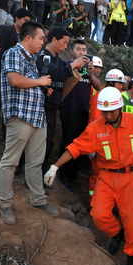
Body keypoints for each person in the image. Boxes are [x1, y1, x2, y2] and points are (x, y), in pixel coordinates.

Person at [44, 87, 133, 265]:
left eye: (112, 111)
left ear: (120, 108)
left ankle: (132, 257)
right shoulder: (96, 128)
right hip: (107, 176)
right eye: (105, 112)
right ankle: (117, 233)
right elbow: (76, 147)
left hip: (130, 178)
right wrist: (55, 166)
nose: (108, 115)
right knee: (99, 214)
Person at [0, 21, 58, 225]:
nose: (43, 42)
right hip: (20, 116)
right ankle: (4, 204)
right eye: (41, 38)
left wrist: (40, 88)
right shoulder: (14, 53)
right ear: (28, 38)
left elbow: (27, 82)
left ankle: (38, 200)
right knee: (10, 161)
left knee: (35, 161)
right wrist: (40, 82)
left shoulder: (32, 59)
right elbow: (14, 80)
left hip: (37, 117)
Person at [36, 27, 92, 174]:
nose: (66, 46)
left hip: (53, 108)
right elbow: (55, 75)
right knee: (40, 144)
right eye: (65, 42)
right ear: (54, 39)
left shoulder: (59, 61)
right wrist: (73, 65)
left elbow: (65, 80)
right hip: (40, 107)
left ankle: (41, 173)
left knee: (48, 143)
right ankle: (30, 174)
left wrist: (83, 71)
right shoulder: (42, 56)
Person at [58, 39, 101, 188]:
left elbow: (98, 86)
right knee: (69, 141)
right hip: (69, 108)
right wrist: (76, 67)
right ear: (72, 51)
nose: (82, 52)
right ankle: (62, 174)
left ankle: (73, 176)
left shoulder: (89, 69)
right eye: (78, 49)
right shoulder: (67, 65)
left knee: (80, 143)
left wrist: (90, 74)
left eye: (84, 50)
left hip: (84, 110)